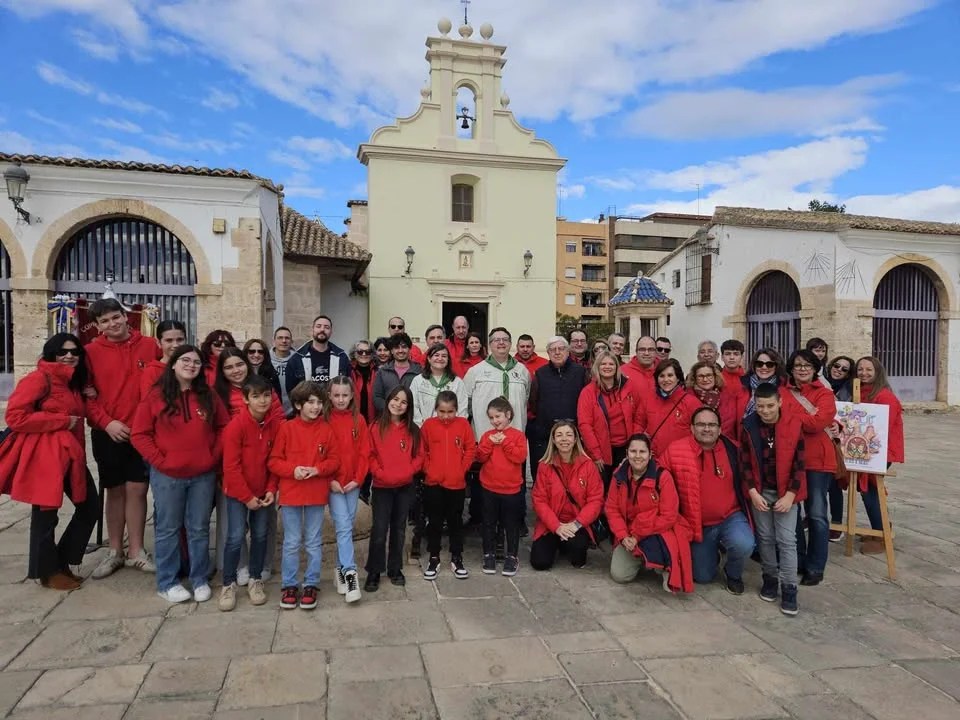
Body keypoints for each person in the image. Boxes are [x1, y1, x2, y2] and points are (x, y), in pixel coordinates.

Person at [131, 345, 230, 603]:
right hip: (168, 476)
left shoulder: (207, 395)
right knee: (168, 529)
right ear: (173, 364)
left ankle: (198, 578)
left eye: (196, 362)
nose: (191, 365)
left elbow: (223, 427)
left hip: (202, 474)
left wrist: (213, 455)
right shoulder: (155, 397)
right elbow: (139, 434)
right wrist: (159, 460)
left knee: (198, 528)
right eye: (185, 360)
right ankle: (167, 581)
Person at [0, 333, 97, 590]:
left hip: (71, 455)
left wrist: (90, 396)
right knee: (45, 516)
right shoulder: (38, 379)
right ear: (51, 353)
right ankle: (47, 572)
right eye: (63, 351)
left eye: (74, 351)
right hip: (46, 458)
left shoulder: (73, 383)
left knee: (90, 506)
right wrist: (62, 421)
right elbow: (15, 417)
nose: (69, 356)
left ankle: (61, 562)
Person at [84, 298, 161, 579]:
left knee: (138, 490)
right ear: (98, 326)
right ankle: (114, 550)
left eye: (115, 317)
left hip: (142, 431)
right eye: (104, 321)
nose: (112, 324)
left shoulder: (150, 346)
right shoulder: (90, 352)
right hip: (108, 432)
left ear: (125, 316)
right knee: (114, 491)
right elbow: (87, 395)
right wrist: (107, 423)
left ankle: (137, 551)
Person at [660, 407, 754, 594]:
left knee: (744, 543)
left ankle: (733, 573)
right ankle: (713, 554)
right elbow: (659, 477)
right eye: (701, 424)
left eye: (712, 425)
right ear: (692, 428)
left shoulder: (733, 449)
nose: (706, 429)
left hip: (730, 517)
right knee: (702, 577)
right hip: (697, 525)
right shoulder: (676, 450)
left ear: (720, 429)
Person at [268, 381, 341, 610]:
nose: (316, 407)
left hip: (316, 494)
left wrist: (318, 469)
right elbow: (274, 461)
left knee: (313, 541)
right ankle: (289, 584)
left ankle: (311, 582)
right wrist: (293, 470)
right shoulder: (286, 428)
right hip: (291, 493)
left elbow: (334, 460)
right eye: (311, 402)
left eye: (320, 402)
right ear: (298, 405)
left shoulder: (326, 429)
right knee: (291, 542)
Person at [740, 384, 806, 615]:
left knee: (787, 540)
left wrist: (790, 495)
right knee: (765, 537)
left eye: (770, 405)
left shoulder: (794, 424)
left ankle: (789, 588)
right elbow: (745, 462)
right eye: (760, 406)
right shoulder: (748, 426)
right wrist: (752, 492)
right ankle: (770, 578)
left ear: (779, 402)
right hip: (760, 491)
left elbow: (799, 465)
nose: (765, 411)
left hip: (786, 492)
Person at [218, 374, 280, 611]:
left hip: (264, 491)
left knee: (261, 534)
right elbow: (230, 468)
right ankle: (228, 583)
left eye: (266, 395)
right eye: (256, 396)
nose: (262, 401)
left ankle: (255, 579)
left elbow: (276, 460)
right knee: (234, 536)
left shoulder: (274, 425)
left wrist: (271, 489)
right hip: (238, 492)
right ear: (245, 399)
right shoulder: (236, 427)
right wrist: (247, 497)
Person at [606, 433, 693, 592]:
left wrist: (637, 534)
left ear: (650, 454)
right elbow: (612, 509)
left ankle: (664, 567)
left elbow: (669, 516)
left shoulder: (663, 476)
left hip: (659, 530)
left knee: (663, 542)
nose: (637, 456)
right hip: (629, 531)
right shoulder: (618, 476)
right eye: (633, 451)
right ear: (627, 453)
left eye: (642, 452)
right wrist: (623, 536)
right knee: (619, 575)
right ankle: (642, 559)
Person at [463, 328, 531, 526]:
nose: (501, 343)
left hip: (514, 440)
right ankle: (479, 520)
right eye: (496, 340)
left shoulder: (522, 371)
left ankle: (516, 521)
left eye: (505, 340)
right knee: (482, 483)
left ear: (511, 344)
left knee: (515, 483)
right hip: (485, 438)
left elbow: (525, 399)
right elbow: (466, 403)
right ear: (489, 345)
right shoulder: (475, 371)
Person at [781, 349, 837, 587]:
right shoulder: (781, 392)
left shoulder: (824, 394)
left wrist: (790, 417)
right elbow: (773, 417)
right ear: (791, 369)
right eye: (797, 365)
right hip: (790, 459)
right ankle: (799, 560)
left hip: (817, 460)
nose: (802, 369)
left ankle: (816, 566)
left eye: (807, 365)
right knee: (792, 514)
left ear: (815, 369)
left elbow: (816, 423)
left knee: (816, 514)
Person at [365, 385, 423, 591]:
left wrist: (408, 471)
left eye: (404, 401)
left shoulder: (413, 431)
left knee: (399, 529)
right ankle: (374, 570)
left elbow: (420, 456)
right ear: (388, 400)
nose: (398, 404)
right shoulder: (375, 427)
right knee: (380, 529)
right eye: (395, 399)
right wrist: (380, 473)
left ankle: (395, 568)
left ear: (408, 406)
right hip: (382, 487)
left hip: (404, 487)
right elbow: (369, 455)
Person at [530, 421, 603, 571]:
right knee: (540, 563)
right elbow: (539, 500)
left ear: (575, 439)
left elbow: (595, 500)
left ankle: (566, 544)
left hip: (576, 522)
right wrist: (556, 526)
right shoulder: (545, 465)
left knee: (578, 558)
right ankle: (559, 541)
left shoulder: (588, 466)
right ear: (554, 440)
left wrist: (576, 524)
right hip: (551, 523)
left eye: (569, 435)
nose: (564, 439)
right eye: (559, 435)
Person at [419, 390, 477, 580]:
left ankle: (456, 556)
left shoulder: (463, 425)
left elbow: (470, 449)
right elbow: (421, 450)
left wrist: (461, 469)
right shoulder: (428, 426)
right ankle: (434, 557)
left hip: (456, 483)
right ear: (436, 409)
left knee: (455, 521)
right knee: (434, 521)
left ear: (456, 410)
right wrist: (428, 469)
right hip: (433, 482)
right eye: (442, 411)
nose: (445, 416)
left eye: (450, 412)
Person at [854, 356, 904, 554]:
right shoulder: (861, 392)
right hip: (867, 451)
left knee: (870, 490)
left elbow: (882, 429)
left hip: (880, 452)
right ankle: (879, 529)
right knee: (868, 489)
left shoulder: (884, 396)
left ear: (877, 372)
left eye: (868, 370)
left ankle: (881, 534)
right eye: (860, 369)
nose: (863, 373)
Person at [327, 375, 368, 604]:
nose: (341, 399)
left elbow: (364, 451)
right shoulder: (324, 419)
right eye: (336, 395)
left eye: (345, 395)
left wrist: (358, 479)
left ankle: (338, 570)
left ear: (352, 395)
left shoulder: (358, 420)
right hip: (333, 484)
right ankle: (351, 575)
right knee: (343, 526)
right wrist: (329, 480)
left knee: (347, 527)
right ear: (329, 396)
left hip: (352, 483)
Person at [577, 350, 642, 494]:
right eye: (603, 364)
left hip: (626, 447)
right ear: (597, 367)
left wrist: (635, 441)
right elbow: (585, 425)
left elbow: (639, 415)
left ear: (617, 366)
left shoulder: (630, 386)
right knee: (602, 488)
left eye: (611, 363)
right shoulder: (588, 392)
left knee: (624, 488)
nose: (607, 367)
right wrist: (596, 454)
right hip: (601, 450)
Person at [476, 397, 527, 576]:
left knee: (511, 525)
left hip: (511, 490)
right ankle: (488, 554)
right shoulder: (486, 436)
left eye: (498, 416)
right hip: (489, 487)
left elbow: (519, 457)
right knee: (488, 523)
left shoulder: (518, 436)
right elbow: (480, 457)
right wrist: (490, 442)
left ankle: (512, 556)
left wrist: (505, 442)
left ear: (508, 415)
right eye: (491, 417)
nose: (494, 421)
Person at [527, 336, 588, 484]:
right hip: (546, 435)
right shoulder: (540, 374)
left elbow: (586, 401)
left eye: (561, 349)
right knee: (545, 476)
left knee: (572, 476)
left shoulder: (580, 373)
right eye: (553, 350)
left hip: (573, 435)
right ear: (548, 352)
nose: (557, 352)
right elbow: (533, 401)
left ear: (568, 351)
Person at [634, 359, 701, 460]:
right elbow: (638, 423)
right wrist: (641, 440)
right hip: (653, 459)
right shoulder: (648, 399)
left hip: (681, 459)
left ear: (678, 378)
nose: (666, 380)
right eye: (662, 376)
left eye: (670, 375)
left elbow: (699, 433)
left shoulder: (691, 402)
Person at [723, 347, 786, 440]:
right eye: (759, 364)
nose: (764, 367)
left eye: (769, 364)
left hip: (775, 439)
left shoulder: (784, 387)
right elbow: (730, 419)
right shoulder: (741, 385)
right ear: (754, 365)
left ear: (776, 366)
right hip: (745, 438)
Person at [824, 354, 855, 541]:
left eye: (845, 369)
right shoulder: (820, 383)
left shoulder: (850, 391)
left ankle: (836, 523)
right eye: (837, 366)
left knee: (835, 484)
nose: (839, 370)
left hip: (838, 441)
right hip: (820, 438)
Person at [285, 314, 351, 392]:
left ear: (331, 332)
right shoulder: (297, 358)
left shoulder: (342, 358)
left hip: (332, 404)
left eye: (326, 327)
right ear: (312, 329)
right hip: (307, 403)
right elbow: (291, 391)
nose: (322, 329)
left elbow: (348, 387)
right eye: (318, 326)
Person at [409, 343, 467, 425]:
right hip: (425, 429)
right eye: (436, 355)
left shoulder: (457, 382)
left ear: (448, 360)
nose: (440, 358)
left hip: (450, 428)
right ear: (429, 358)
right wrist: (422, 426)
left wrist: (454, 426)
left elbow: (462, 408)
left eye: (444, 356)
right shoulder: (418, 381)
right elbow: (413, 406)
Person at [373, 333, 423, 415]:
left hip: (412, 419)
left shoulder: (419, 371)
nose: (400, 350)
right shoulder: (383, 371)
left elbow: (422, 398)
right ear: (391, 351)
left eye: (404, 347)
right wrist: (391, 410)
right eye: (396, 347)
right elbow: (377, 397)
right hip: (388, 418)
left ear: (409, 349)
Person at [140, 320, 186, 398]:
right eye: (169, 340)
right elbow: (149, 404)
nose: (175, 345)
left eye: (180, 340)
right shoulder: (152, 372)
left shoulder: (192, 366)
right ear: (158, 343)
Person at [686, 361, 735, 432]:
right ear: (694, 378)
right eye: (700, 376)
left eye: (709, 375)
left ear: (715, 376)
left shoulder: (727, 397)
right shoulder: (687, 399)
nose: (705, 380)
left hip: (724, 440)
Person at [349, 340, 378, 424]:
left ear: (372, 354)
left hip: (374, 421)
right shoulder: (348, 371)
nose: (364, 354)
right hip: (353, 419)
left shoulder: (378, 372)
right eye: (360, 352)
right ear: (354, 354)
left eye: (368, 352)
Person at [270, 326, 295, 415]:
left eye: (287, 338)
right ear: (274, 341)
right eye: (280, 338)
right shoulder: (266, 361)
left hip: (293, 411)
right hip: (271, 412)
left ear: (291, 342)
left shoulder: (298, 361)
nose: (284, 341)